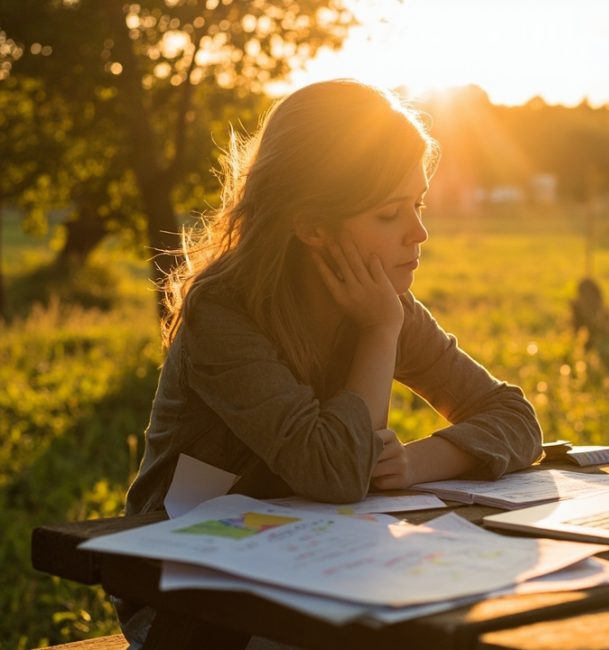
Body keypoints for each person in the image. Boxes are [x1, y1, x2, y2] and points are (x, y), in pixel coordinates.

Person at [117, 79, 543, 645]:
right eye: (389, 214)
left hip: (321, 568)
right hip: (190, 597)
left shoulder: (385, 305)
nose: (419, 233)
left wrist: (416, 463)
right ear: (313, 225)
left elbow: (514, 417)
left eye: (417, 205)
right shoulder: (224, 315)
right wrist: (379, 332)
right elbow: (335, 474)